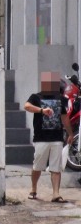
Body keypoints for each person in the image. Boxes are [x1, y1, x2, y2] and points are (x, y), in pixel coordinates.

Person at [24, 71, 74, 202]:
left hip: (57, 138)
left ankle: (56, 194)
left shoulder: (61, 99)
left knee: (56, 168)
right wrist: (41, 111)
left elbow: (65, 118)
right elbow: (27, 106)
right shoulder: (36, 97)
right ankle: (33, 189)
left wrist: (70, 134)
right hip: (41, 138)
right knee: (37, 167)